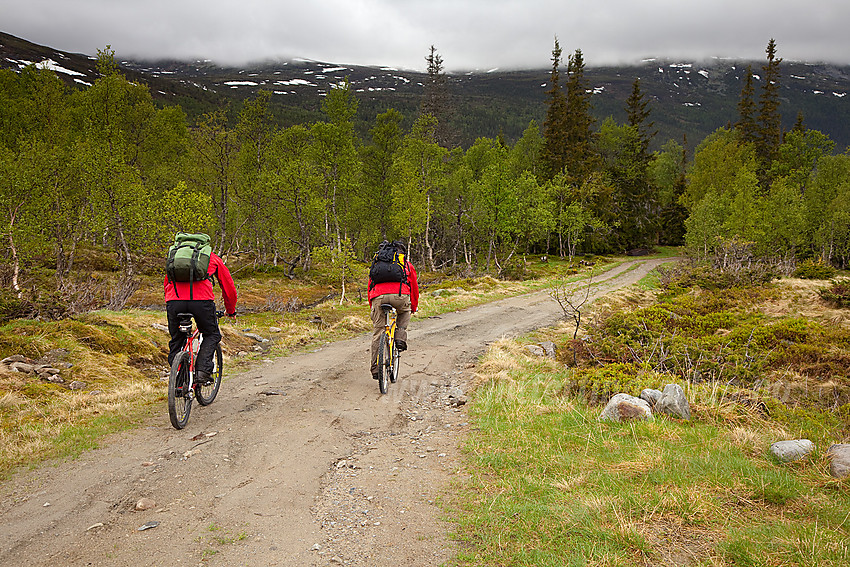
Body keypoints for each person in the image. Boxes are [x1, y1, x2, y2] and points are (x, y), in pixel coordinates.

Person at [164, 240, 237, 384]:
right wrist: (230, 310)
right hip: (201, 302)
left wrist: (172, 301)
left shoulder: (175, 257)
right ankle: (202, 372)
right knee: (211, 334)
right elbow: (228, 287)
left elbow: (167, 282)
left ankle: (178, 382)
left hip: (174, 301)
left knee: (177, 340)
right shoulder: (212, 258)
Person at [367, 240, 419, 381]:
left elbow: (370, 286)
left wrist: (372, 305)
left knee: (378, 332)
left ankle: (376, 369)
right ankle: (399, 336)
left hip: (379, 297)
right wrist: (413, 307)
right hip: (400, 296)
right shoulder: (405, 264)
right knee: (404, 312)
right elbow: (414, 287)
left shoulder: (377, 263)